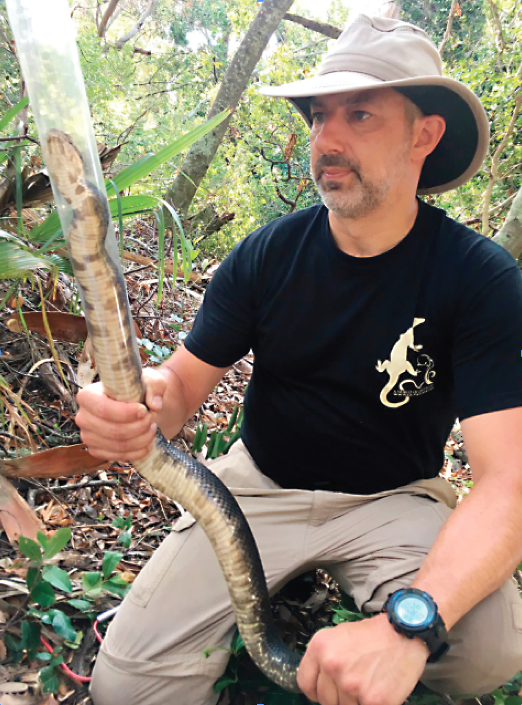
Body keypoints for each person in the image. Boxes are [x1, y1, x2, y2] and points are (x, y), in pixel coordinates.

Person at [81, 15, 522, 705]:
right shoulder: (267, 254)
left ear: (425, 135)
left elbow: (507, 484)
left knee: (487, 647)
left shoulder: (479, 279)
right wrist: (134, 405)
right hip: (257, 488)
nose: (326, 139)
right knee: (125, 688)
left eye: (360, 113)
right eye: (319, 115)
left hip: (394, 498)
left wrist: (410, 626)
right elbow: (180, 384)